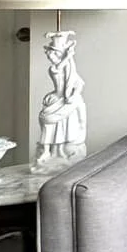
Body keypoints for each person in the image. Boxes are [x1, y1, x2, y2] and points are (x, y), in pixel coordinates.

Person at [36, 31, 87, 168]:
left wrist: (74, 94)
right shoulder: (53, 68)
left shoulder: (71, 70)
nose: (50, 57)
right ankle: (47, 151)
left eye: (52, 54)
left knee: (66, 125)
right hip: (57, 99)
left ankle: (62, 150)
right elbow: (59, 67)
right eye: (49, 55)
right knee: (46, 120)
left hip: (68, 100)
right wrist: (68, 55)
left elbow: (79, 83)